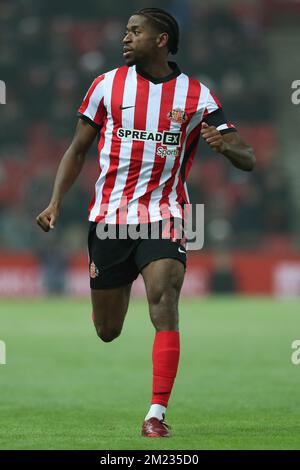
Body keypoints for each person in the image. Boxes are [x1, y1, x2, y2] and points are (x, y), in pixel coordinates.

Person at [36, 7, 255, 438]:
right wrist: (55, 201)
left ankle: (155, 413)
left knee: (164, 295)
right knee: (107, 330)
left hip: (165, 214)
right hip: (110, 219)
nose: (125, 38)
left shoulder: (197, 96)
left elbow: (246, 156)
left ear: (161, 40)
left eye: (135, 31)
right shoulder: (106, 85)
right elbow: (77, 149)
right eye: (126, 31)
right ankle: (121, 296)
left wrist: (225, 148)